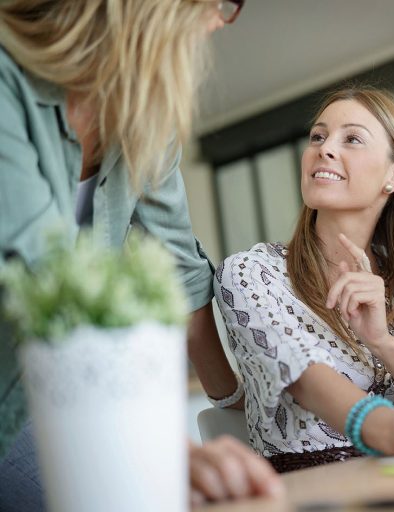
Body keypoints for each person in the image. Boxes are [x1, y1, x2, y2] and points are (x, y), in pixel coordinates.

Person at [0, 1, 280, 509]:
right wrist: (155, 453)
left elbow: (179, 268)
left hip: (37, 392)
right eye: (221, 2)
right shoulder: (5, 82)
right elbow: (44, 271)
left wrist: (233, 416)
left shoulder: (149, 119)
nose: (222, 20)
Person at [214, 87, 394, 473]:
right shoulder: (250, 274)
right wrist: (389, 428)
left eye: (351, 138)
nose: (324, 149)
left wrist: (384, 343)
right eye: (318, 137)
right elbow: (303, 376)